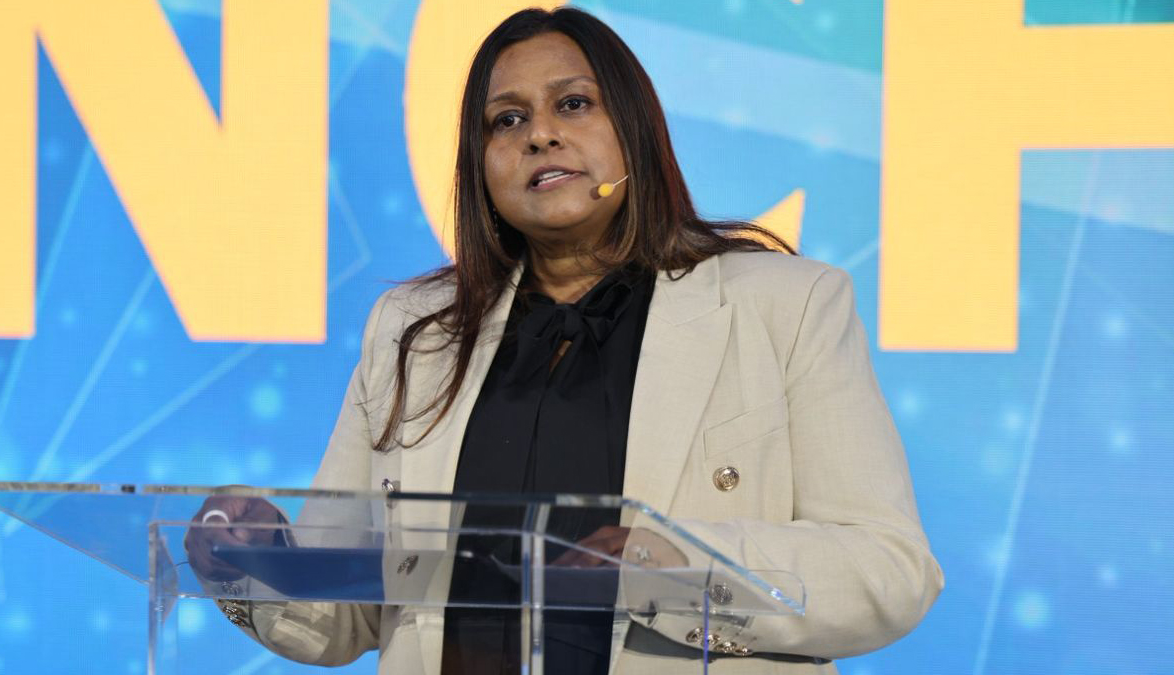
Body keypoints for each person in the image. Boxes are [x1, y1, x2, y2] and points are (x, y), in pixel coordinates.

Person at [185, 7, 943, 674]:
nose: (540, 133)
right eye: (506, 120)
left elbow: (890, 569)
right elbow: (344, 612)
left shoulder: (784, 305)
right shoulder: (413, 330)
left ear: (634, 131)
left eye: (573, 104)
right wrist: (255, 565)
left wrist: (671, 565)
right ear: (480, 167)